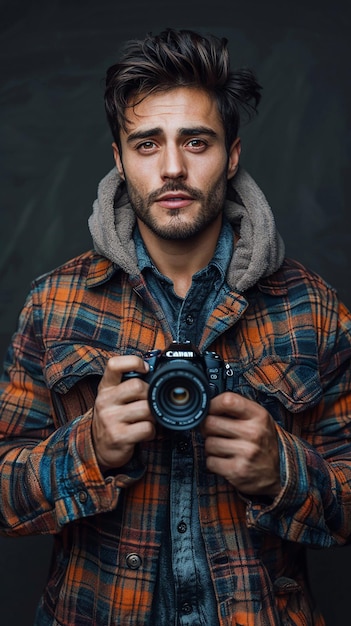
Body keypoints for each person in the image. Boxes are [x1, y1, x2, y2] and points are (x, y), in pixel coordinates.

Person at [0, 27, 351, 626]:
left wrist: (284, 470)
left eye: (196, 142)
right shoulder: (53, 303)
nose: (171, 168)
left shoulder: (312, 308)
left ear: (232, 154)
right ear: (117, 157)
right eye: (146, 145)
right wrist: (89, 448)